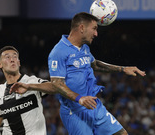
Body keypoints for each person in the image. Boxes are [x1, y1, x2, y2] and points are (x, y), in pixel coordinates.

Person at [10, 12, 146, 135]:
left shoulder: (84, 48)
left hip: (93, 105)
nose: (96, 34)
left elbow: (95, 64)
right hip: (74, 111)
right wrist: (79, 98)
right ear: (81, 28)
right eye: (94, 29)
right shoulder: (58, 52)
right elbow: (57, 84)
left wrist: (123, 69)